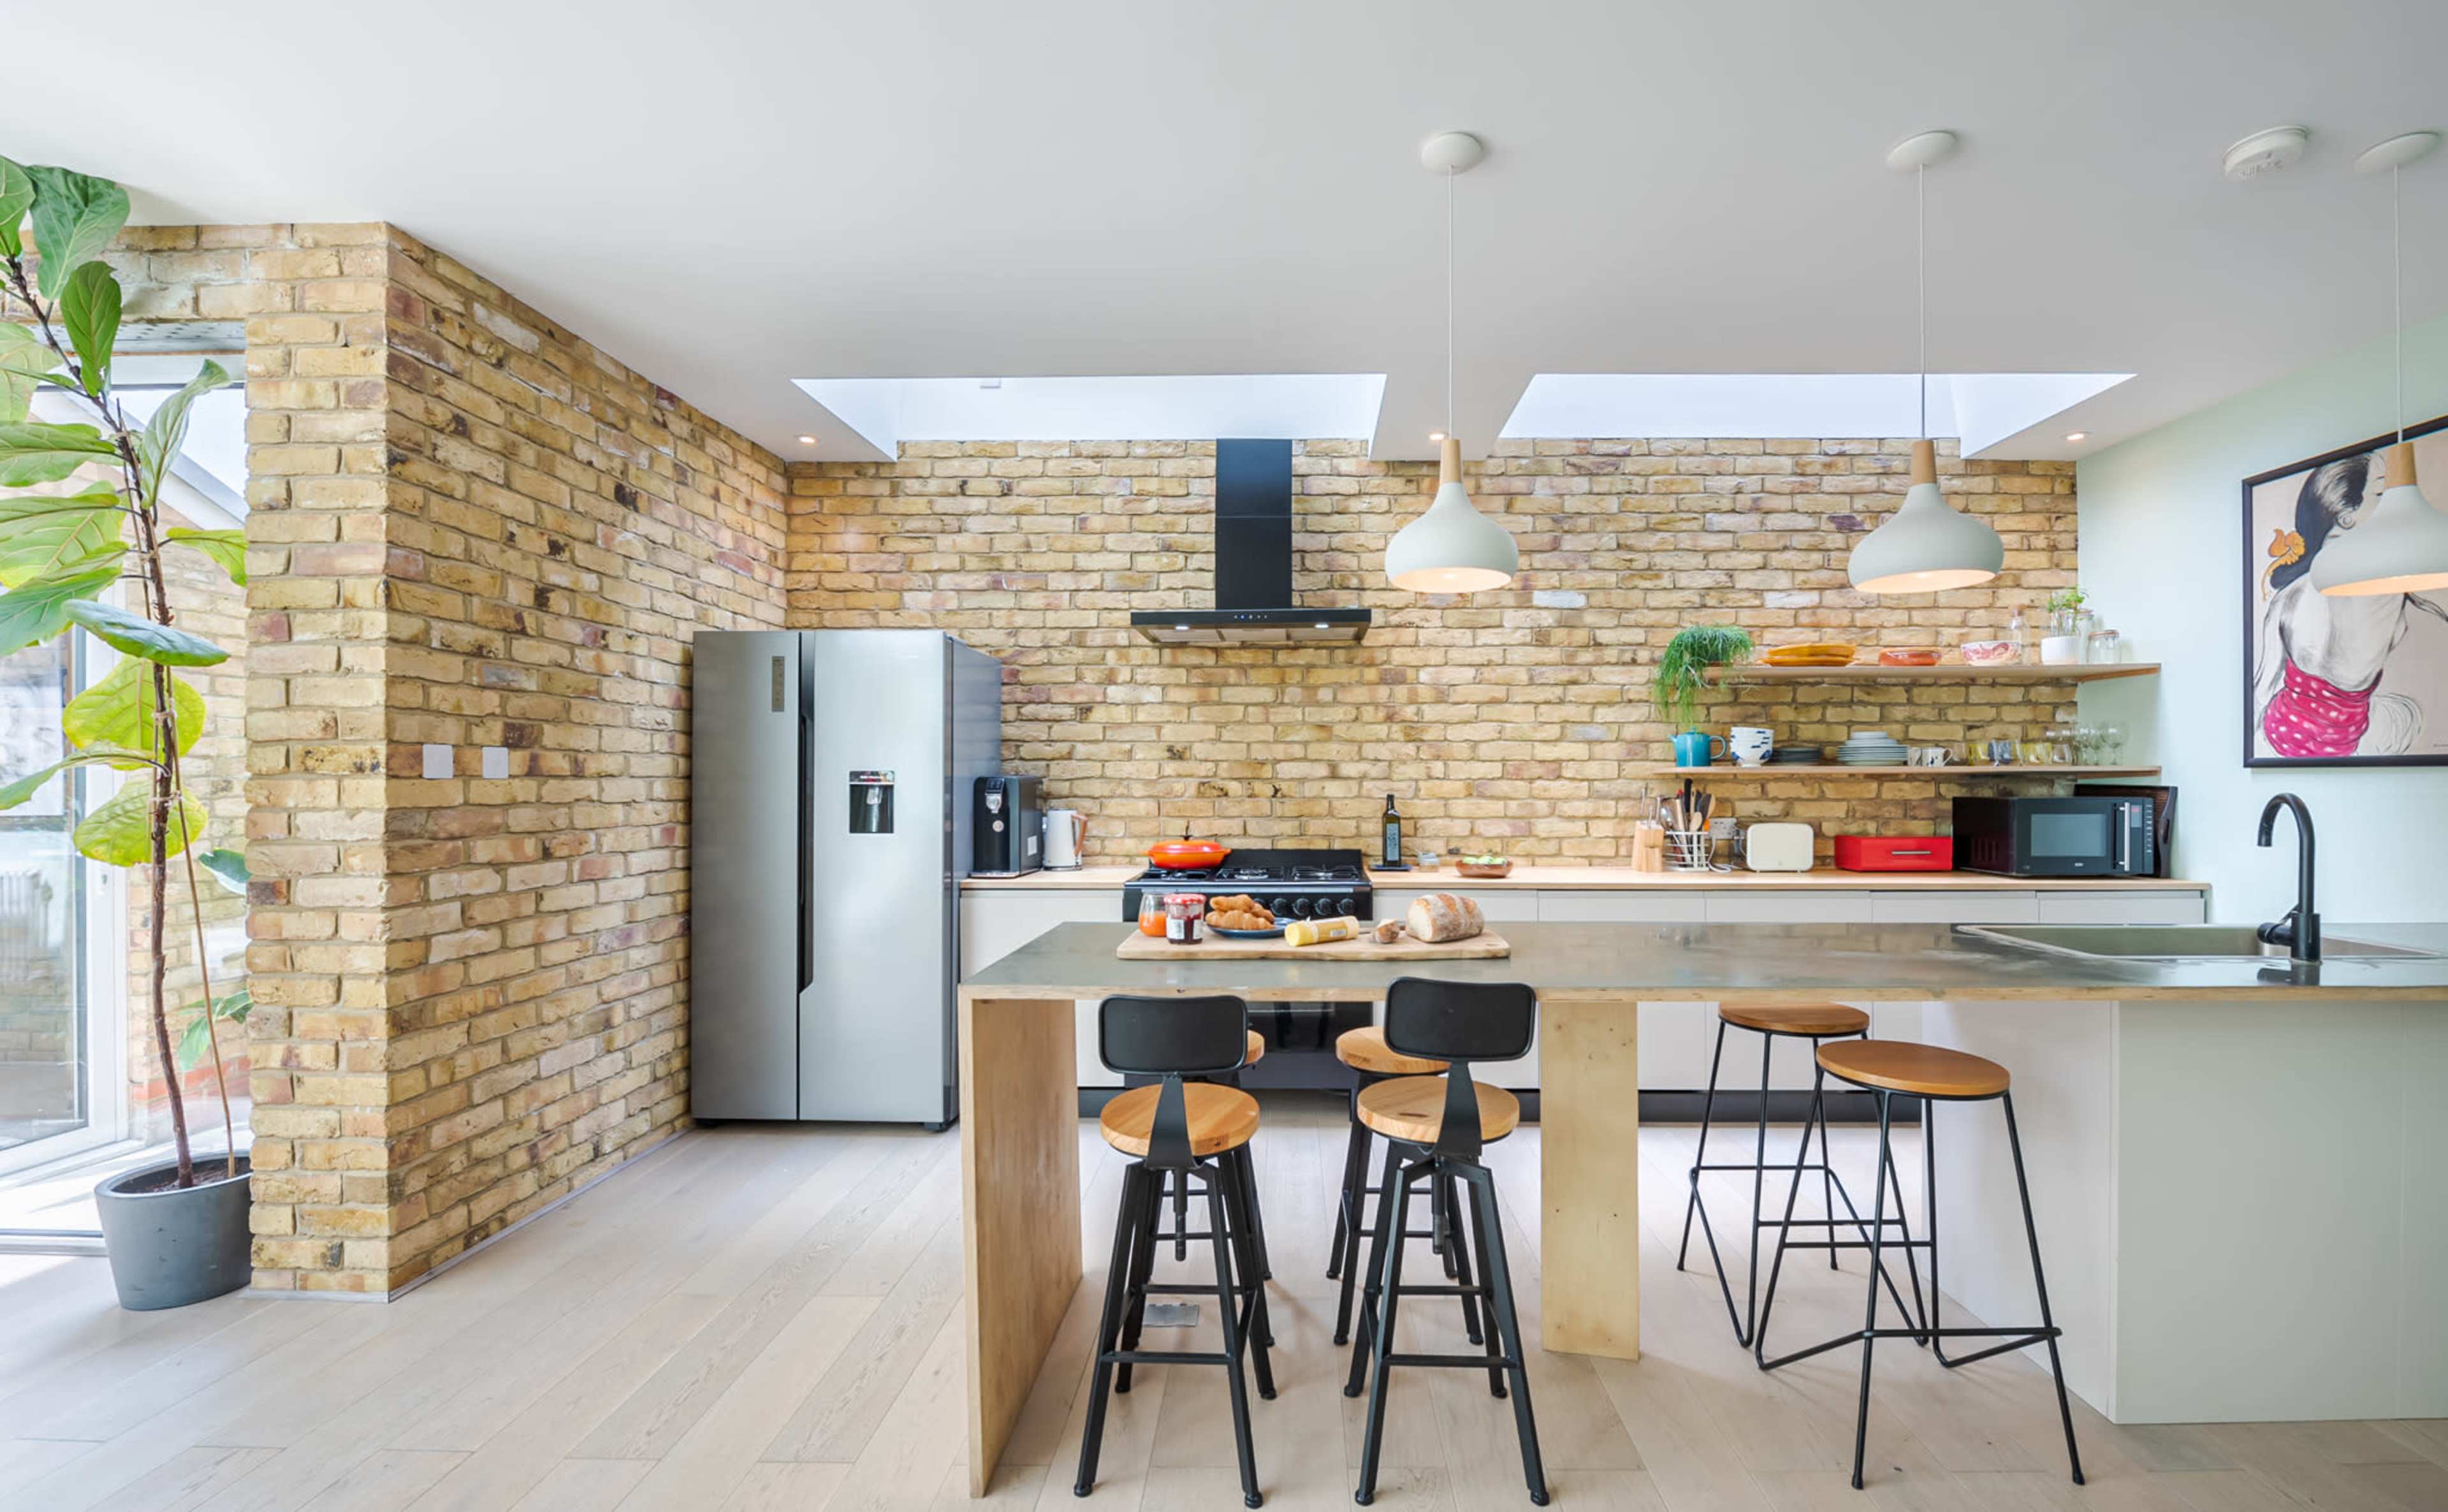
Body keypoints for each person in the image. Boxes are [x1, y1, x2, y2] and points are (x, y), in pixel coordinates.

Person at [2253, 452, 2448, 757]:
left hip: (2278, 733)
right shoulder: (2389, 583)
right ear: (2347, 516)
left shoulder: (2291, 593)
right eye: (2382, 494)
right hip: (2345, 741)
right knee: (2409, 716)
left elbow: (2262, 687)